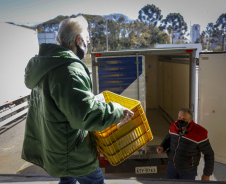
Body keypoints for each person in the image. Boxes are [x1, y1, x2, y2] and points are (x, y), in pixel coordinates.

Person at [21, 16, 134, 184]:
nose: (87, 46)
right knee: (95, 181)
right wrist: (117, 110)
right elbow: (85, 115)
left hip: (56, 146)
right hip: (72, 151)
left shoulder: (45, 65)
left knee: (67, 181)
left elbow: (61, 104)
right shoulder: (69, 70)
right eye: (87, 40)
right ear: (78, 39)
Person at [156, 108, 214, 181]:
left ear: (190, 119)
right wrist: (162, 146)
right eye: (179, 118)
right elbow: (168, 138)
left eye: (184, 119)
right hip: (171, 167)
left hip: (187, 171)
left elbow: (209, 154)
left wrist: (206, 174)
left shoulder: (199, 133)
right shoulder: (173, 126)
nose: (180, 120)